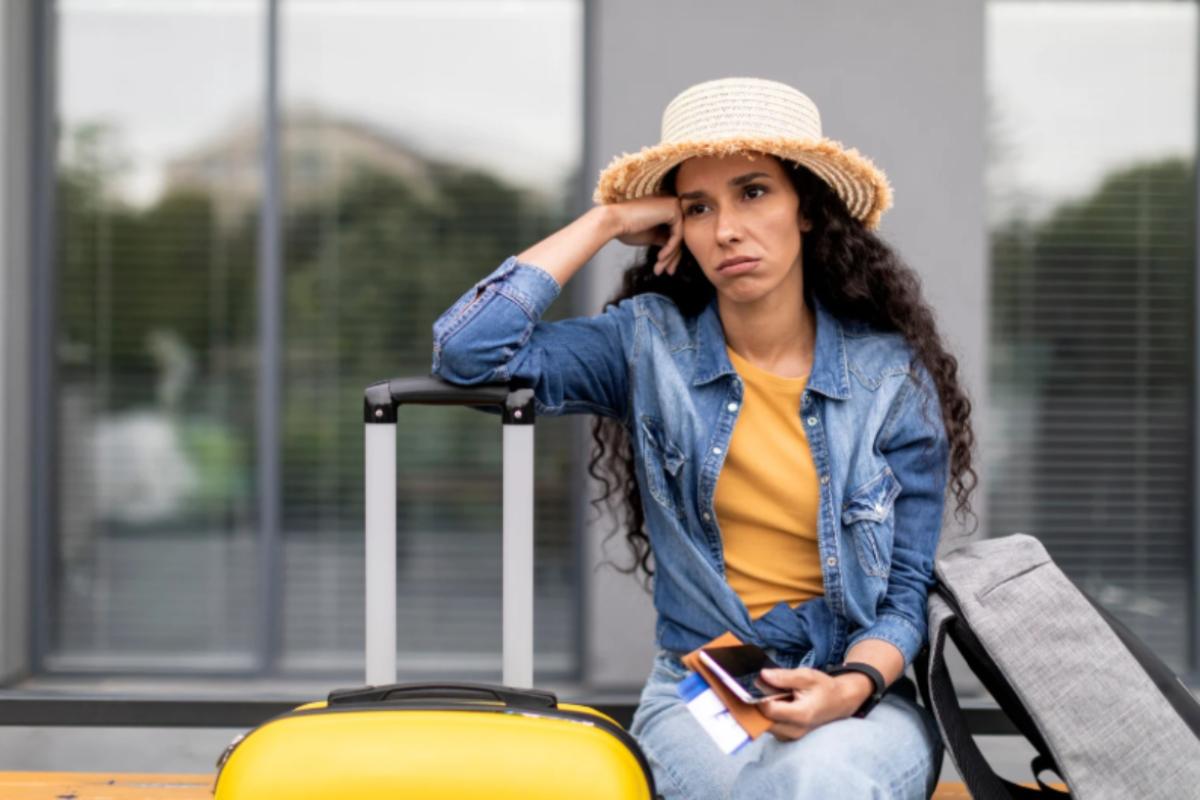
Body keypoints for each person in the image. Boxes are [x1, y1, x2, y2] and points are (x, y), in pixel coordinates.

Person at [430, 76, 978, 799]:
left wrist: (845, 690)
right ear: (675, 226)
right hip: (706, 687)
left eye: (754, 193)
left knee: (821, 777)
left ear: (806, 209)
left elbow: (905, 594)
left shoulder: (889, 379)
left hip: (858, 689)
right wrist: (603, 224)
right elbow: (469, 353)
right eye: (698, 207)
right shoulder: (648, 346)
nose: (726, 229)